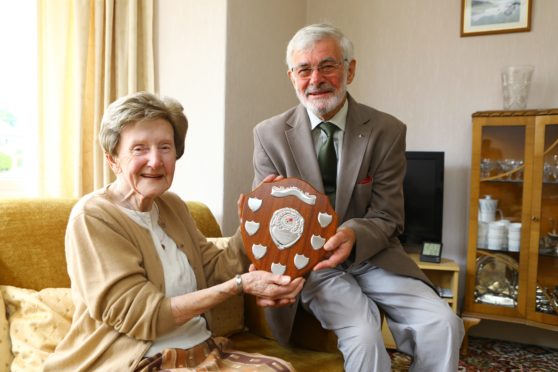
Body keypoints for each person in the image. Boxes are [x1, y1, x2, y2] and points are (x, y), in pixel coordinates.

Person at [251, 23, 464, 371]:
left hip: (374, 255)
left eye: (328, 65)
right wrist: (264, 208)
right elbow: (268, 227)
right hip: (313, 264)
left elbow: (389, 215)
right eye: (304, 69)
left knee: (443, 322)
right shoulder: (269, 135)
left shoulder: (387, 130)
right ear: (292, 76)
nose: (315, 79)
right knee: (364, 333)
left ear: (350, 69)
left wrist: (352, 234)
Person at [44, 92, 302, 371]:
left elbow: (215, 268)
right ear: (112, 159)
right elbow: (145, 316)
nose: (155, 161)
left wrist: (253, 225)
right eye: (139, 148)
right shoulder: (93, 217)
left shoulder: (173, 206)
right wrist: (239, 286)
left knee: (281, 369)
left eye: (165, 147)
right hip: (138, 360)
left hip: (200, 350)